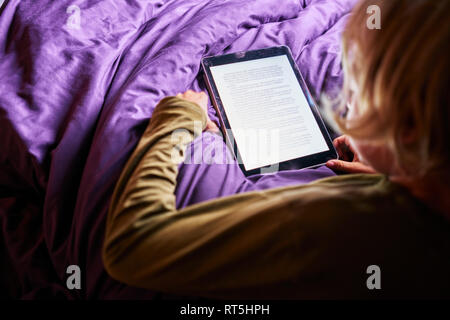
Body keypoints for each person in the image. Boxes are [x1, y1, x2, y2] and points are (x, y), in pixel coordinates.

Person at [102, 0, 450, 299]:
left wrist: (177, 119)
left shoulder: (341, 226)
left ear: (408, 129)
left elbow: (131, 247)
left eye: (363, 85)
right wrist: (394, 173)